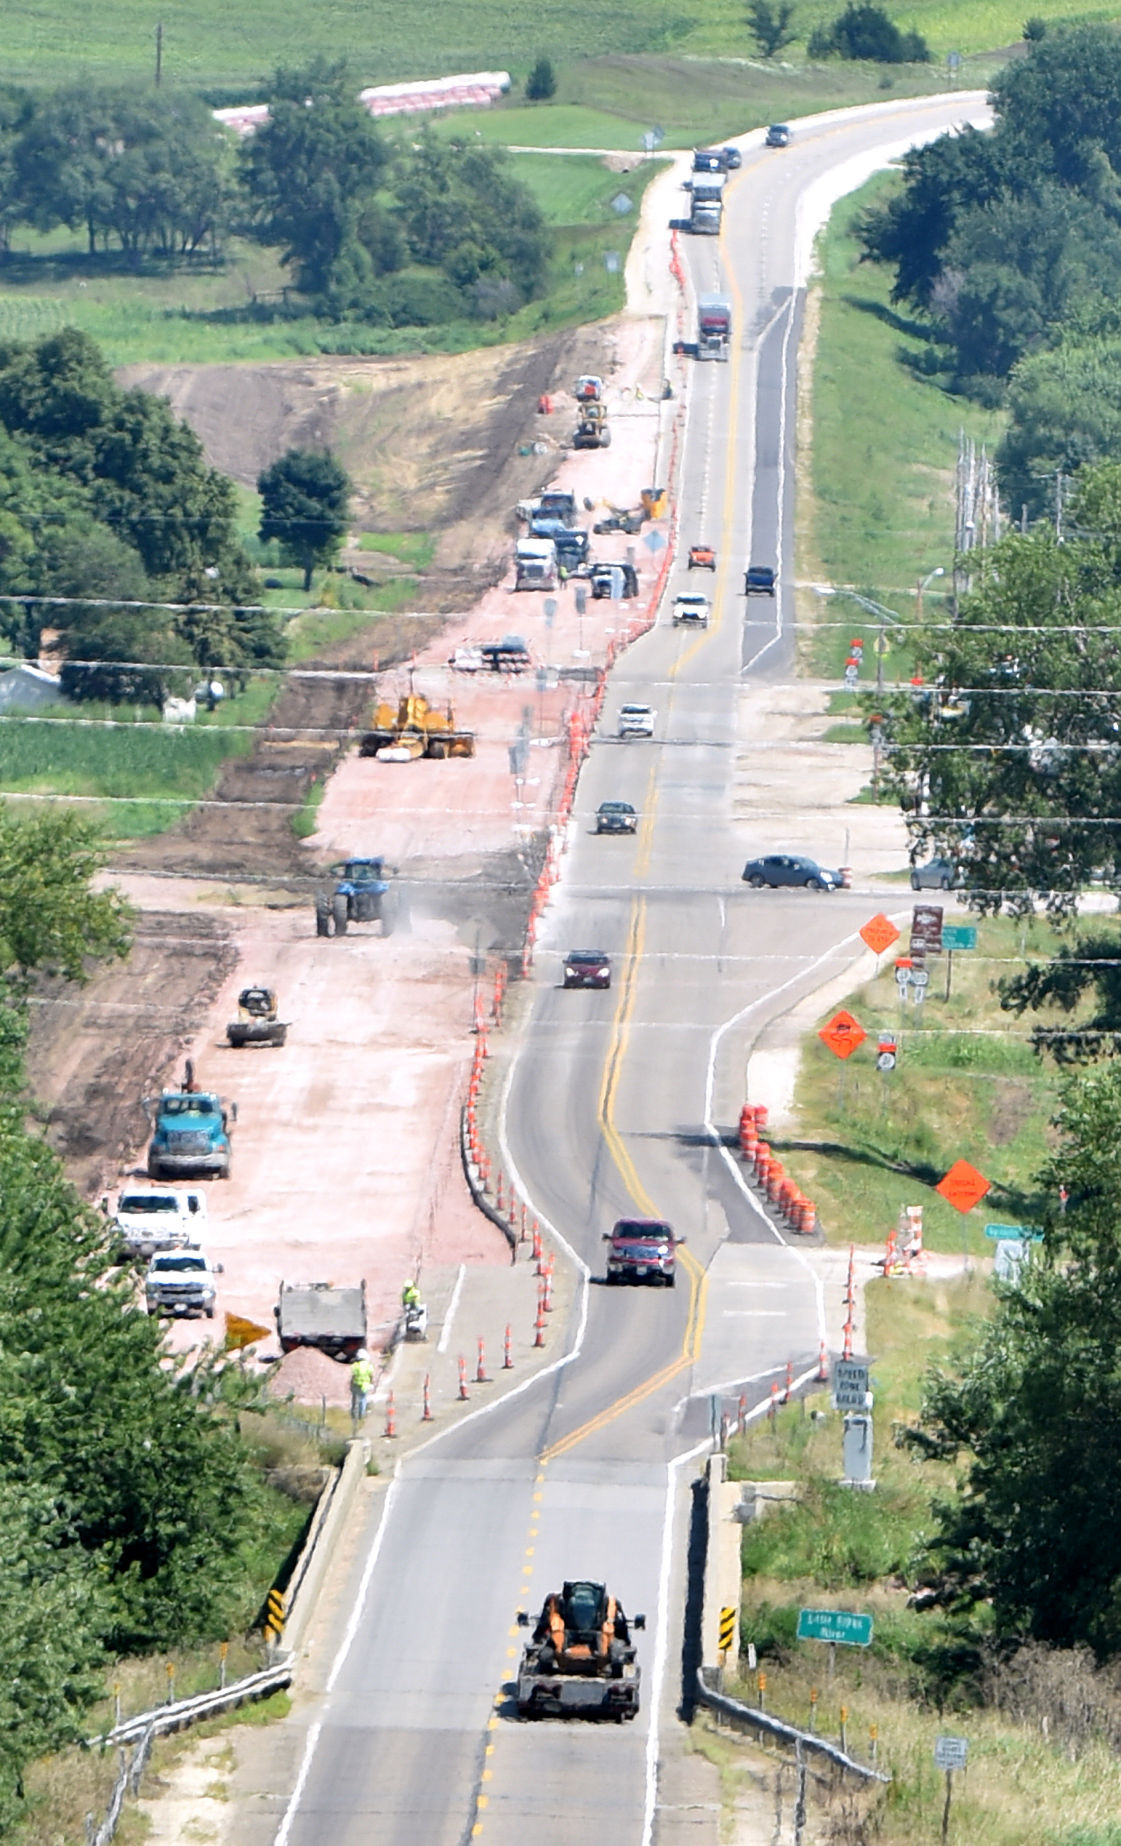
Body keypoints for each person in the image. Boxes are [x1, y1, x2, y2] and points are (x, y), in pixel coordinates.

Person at [350, 1349, 373, 1421]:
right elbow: (371, 1376)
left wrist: (350, 1384)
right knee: (362, 1399)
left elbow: (353, 1376)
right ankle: (361, 1414)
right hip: (365, 1385)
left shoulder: (355, 1365)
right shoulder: (369, 1366)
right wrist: (371, 1382)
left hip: (356, 1384)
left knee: (354, 1398)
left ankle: (353, 1413)